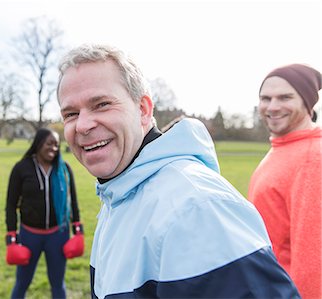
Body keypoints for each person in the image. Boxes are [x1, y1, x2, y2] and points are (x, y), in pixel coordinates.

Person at [56, 44, 300, 298]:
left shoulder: (196, 207)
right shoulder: (118, 196)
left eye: (102, 104)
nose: (83, 125)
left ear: (143, 110)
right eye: (71, 114)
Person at [248, 64, 321, 298]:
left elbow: (313, 261)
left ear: (308, 104)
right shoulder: (283, 148)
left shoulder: (313, 158)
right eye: (266, 98)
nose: (273, 107)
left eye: (285, 97)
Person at [5, 127, 84, 299]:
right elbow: (11, 205)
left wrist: (78, 231)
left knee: (58, 283)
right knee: (22, 282)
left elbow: (74, 201)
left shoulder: (64, 169)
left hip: (58, 234)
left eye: (56, 145)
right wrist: (11, 238)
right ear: (39, 143)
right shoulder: (21, 168)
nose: (54, 148)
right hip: (29, 235)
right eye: (49, 144)